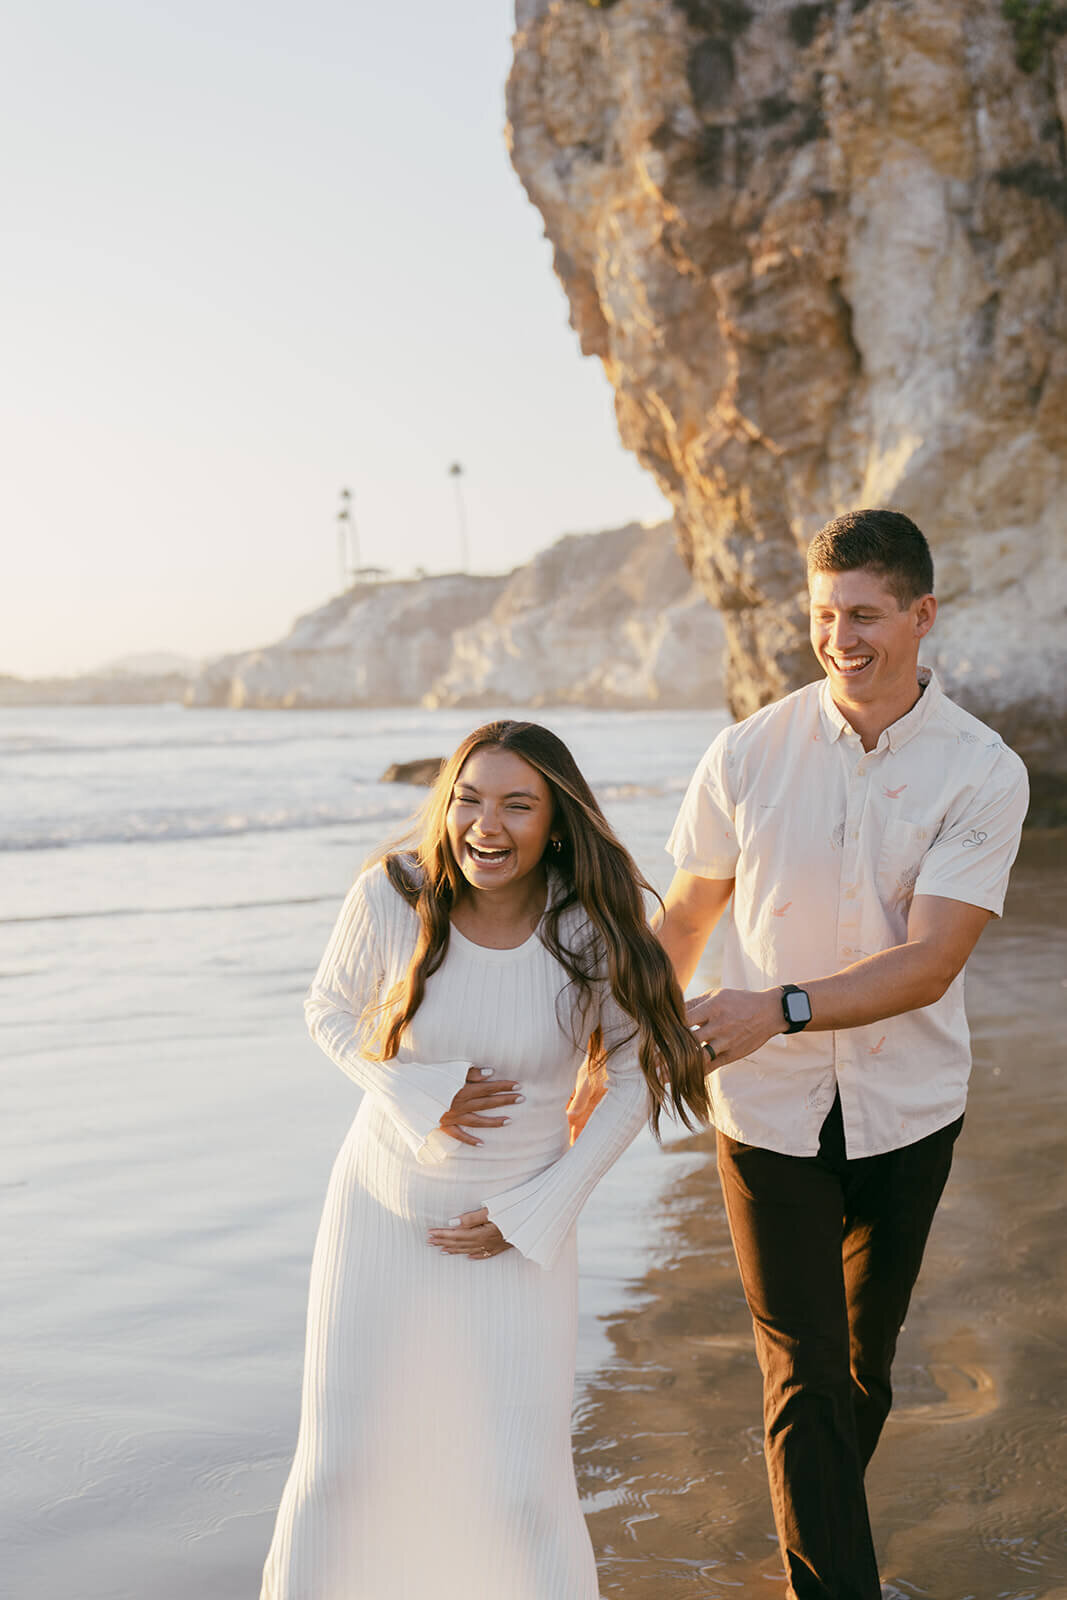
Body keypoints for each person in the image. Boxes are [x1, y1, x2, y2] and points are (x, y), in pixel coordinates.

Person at [655, 510, 1029, 1599]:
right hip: (762, 1113)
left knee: (861, 1368)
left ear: (919, 615)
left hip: (907, 1108)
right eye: (822, 615)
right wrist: (604, 1039)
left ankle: (808, 1528)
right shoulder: (743, 753)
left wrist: (778, 1003)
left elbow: (926, 966)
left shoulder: (982, 771)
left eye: (862, 614)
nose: (839, 638)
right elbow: (681, 922)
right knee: (803, 1375)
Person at [260, 719, 707, 1600]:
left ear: (557, 822)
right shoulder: (394, 893)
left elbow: (632, 1074)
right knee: (342, 1466)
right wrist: (415, 1091)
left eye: (516, 804)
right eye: (468, 799)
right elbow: (330, 1010)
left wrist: (536, 1212)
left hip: (519, 1237)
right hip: (379, 1216)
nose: (484, 826)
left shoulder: (588, 931)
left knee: (517, 1483)